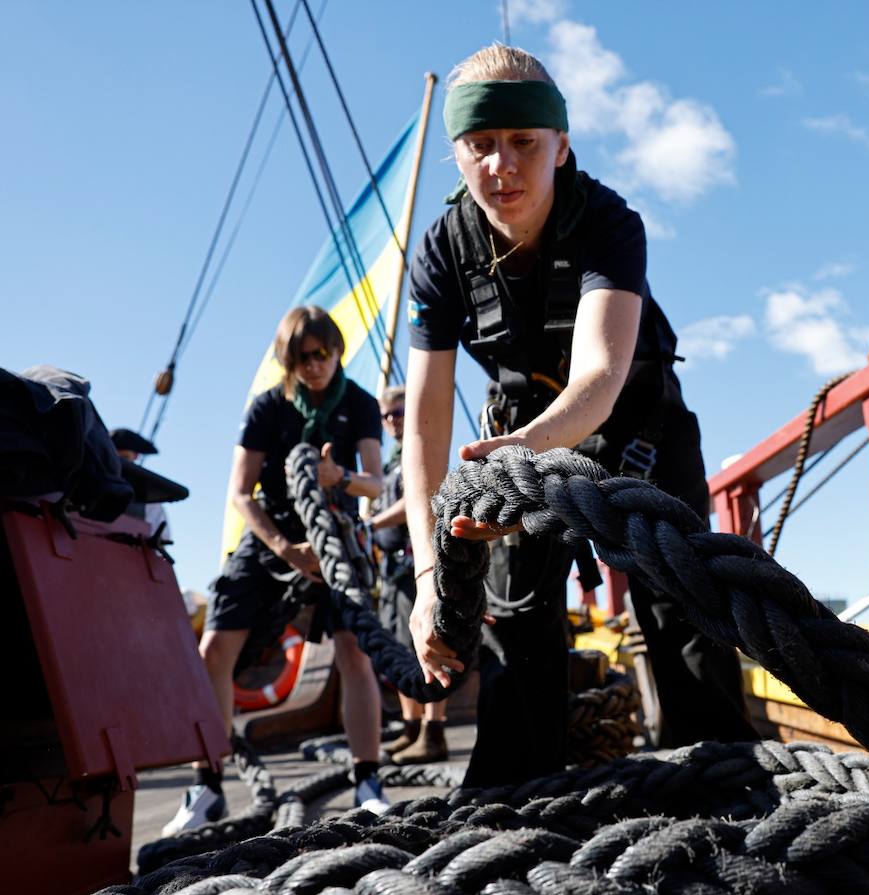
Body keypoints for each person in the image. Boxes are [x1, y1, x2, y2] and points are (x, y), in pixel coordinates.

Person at [402, 45, 757, 789]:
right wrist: (431, 574)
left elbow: (600, 372)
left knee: (681, 609)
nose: (502, 166)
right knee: (517, 620)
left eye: (523, 143)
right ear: (456, 156)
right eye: (480, 146)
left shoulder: (609, 222)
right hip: (520, 442)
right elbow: (426, 425)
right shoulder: (440, 253)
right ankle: (514, 808)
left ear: (560, 145)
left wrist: (516, 459)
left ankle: (725, 786)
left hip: (637, 433)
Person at [162, 306, 390, 835]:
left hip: (334, 529)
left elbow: (377, 483)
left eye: (322, 355)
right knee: (213, 651)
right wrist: (286, 549)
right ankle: (207, 787)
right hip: (273, 533)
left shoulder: (357, 403)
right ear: (288, 362)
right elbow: (241, 493)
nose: (313, 366)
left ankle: (369, 780)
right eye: (301, 358)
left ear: (336, 351)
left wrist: (340, 477)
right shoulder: (268, 407)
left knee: (355, 653)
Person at [366, 385, 449, 763]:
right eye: (387, 416)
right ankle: (411, 728)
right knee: (399, 649)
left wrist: (371, 524)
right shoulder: (387, 466)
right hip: (392, 568)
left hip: (416, 562)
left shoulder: (418, 456)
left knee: (426, 644)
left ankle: (433, 732)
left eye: (399, 413)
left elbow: (417, 498)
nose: (392, 421)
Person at [110, 427, 171, 542]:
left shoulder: (147, 500)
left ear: (136, 456)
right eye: (112, 457)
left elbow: (162, 540)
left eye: (124, 458)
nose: (118, 464)